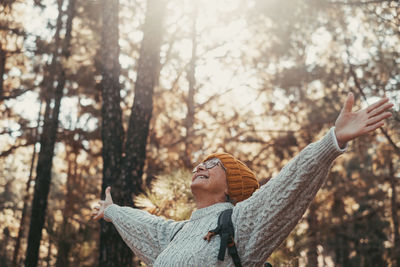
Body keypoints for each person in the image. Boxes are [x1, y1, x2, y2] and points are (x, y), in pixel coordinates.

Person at [92, 93, 393, 266]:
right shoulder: (173, 236)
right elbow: (143, 224)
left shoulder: (240, 223)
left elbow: (287, 185)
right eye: (201, 161)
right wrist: (112, 211)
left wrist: (332, 141)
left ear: (230, 185)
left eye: (214, 164)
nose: (201, 165)